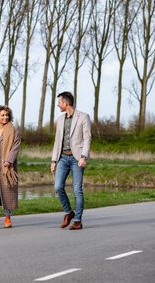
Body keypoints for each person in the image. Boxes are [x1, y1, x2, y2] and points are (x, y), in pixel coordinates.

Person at [50, 91, 92, 230]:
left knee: (77, 190)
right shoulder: (61, 119)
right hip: (62, 157)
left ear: (66, 103)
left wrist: (83, 157)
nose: (58, 105)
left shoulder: (83, 117)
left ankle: (77, 220)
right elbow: (57, 141)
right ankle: (68, 212)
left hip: (77, 159)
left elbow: (87, 138)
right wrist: (54, 160)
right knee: (58, 187)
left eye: (59, 102)